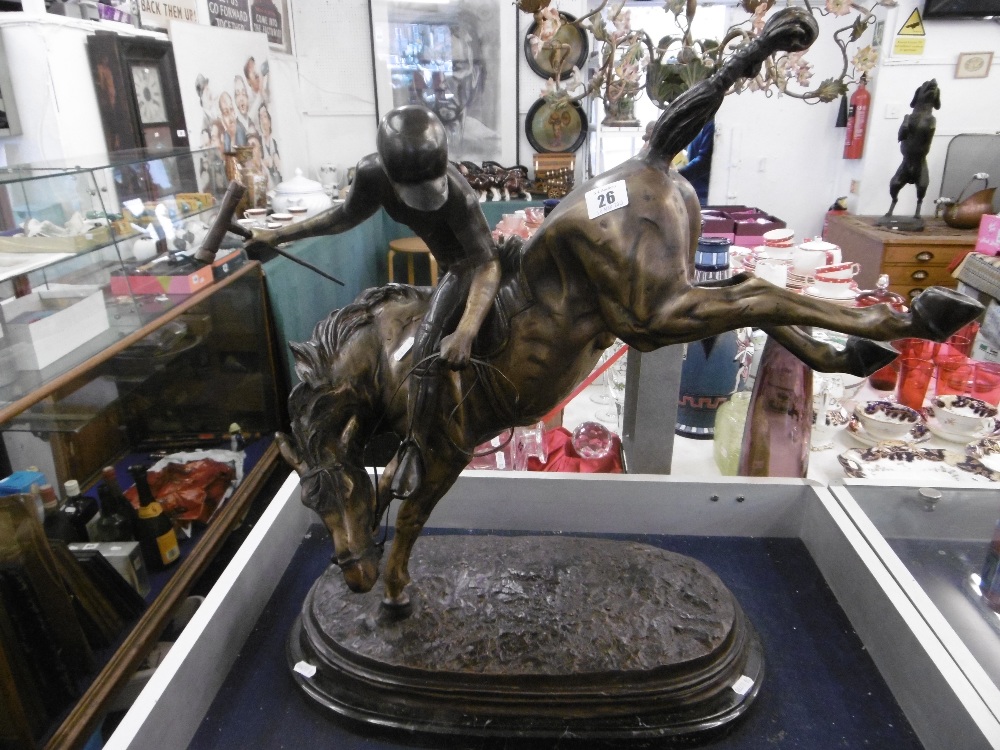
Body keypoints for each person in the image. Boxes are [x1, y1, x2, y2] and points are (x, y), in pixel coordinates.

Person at [254, 105, 500, 498]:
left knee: (425, 347)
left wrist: (467, 331)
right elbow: (343, 216)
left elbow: (486, 262)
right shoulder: (373, 175)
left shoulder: (456, 193)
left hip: (465, 267)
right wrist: (280, 235)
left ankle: (415, 448)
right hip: (447, 267)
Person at [677, 118, 714, 206]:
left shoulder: (711, 125)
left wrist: (677, 174)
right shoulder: (701, 125)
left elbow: (704, 161)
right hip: (695, 191)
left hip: (703, 194)